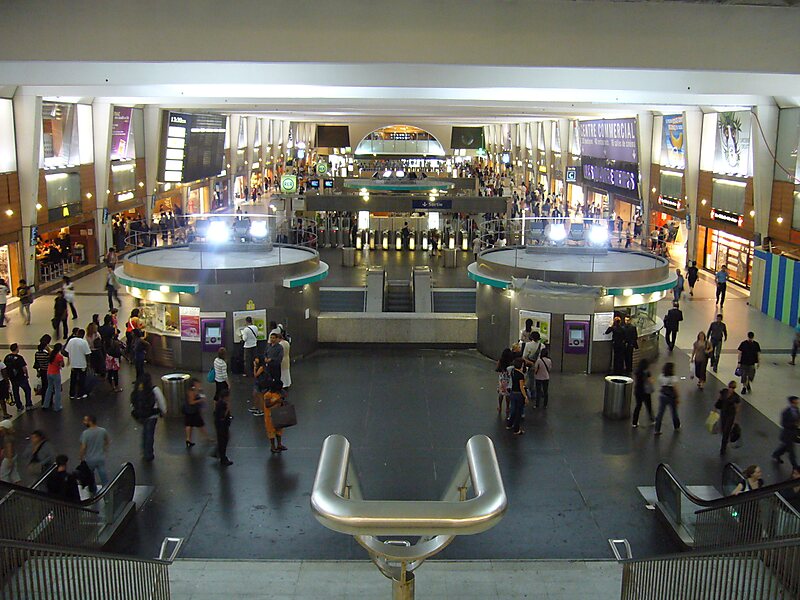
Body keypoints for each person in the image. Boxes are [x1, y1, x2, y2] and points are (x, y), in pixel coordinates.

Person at [131, 372, 166, 462]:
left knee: (145, 433)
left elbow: (133, 401)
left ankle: (144, 451)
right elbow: (161, 401)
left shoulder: (137, 389)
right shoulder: (154, 389)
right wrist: (163, 411)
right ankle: (148, 454)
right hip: (152, 415)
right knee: (150, 434)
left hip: (141, 415)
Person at [79, 414, 110, 488]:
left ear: (90, 422)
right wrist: (104, 449)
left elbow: (83, 447)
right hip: (100, 457)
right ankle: (106, 491)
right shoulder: (102, 430)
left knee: (90, 476)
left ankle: (93, 490)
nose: (84, 422)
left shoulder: (85, 433)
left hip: (90, 459)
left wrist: (81, 457)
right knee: (103, 475)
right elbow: (107, 440)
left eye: (85, 421)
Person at [772, 396, 800, 468]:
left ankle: (776, 454)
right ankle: (795, 466)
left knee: (784, 447)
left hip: (794, 433)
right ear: (792, 403)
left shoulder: (796, 410)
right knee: (791, 452)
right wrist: (794, 424)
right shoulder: (786, 412)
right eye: (796, 402)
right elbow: (783, 424)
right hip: (787, 435)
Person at [4, 343, 33, 411]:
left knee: (16, 391)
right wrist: (27, 375)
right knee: (27, 390)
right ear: (16, 349)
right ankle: (28, 404)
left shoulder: (7, 357)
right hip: (21, 377)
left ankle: (19, 406)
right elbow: (24, 368)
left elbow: (5, 368)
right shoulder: (19, 358)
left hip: (12, 378)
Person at [654, 362, 680, 436]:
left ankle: (657, 429)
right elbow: (675, 389)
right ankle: (676, 426)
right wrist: (677, 397)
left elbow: (660, 384)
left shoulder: (661, 376)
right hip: (671, 397)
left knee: (660, 413)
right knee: (674, 412)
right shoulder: (673, 378)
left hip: (662, 396)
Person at [64, 329, 91, 400]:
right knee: (82, 379)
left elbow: (66, 351)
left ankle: (72, 394)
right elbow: (87, 354)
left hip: (73, 363)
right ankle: (80, 394)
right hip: (82, 364)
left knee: (73, 379)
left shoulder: (71, 341)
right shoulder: (84, 342)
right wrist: (88, 363)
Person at [716, 381, 741, 455]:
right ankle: (726, 441)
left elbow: (737, 407)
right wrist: (716, 407)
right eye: (730, 387)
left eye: (733, 388)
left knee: (726, 431)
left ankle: (723, 447)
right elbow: (719, 399)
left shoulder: (736, 397)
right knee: (723, 429)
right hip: (723, 413)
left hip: (731, 415)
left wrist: (736, 419)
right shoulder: (724, 392)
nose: (731, 389)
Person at [184, 377, 210, 448]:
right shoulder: (191, 392)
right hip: (192, 411)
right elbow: (191, 402)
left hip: (189, 411)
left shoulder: (194, 390)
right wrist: (200, 400)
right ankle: (206, 437)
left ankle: (188, 440)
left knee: (189, 425)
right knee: (200, 424)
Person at [263, 379, 288, 453]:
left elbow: (285, 396)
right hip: (270, 416)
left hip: (278, 414)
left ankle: (279, 444)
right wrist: (276, 401)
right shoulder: (267, 395)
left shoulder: (279, 394)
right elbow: (267, 405)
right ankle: (273, 446)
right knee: (271, 431)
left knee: (279, 430)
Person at [506, 358, 528, 436]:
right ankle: (516, 429)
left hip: (513, 392)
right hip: (519, 394)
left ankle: (509, 424)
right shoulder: (521, 375)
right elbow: (521, 387)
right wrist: (525, 396)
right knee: (518, 412)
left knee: (513, 409)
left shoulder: (512, 372)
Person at [213, 386, 233, 466]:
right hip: (222, 426)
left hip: (220, 425)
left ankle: (219, 454)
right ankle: (222, 458)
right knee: (223, 441)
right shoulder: (222, 404)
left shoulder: (219, 403)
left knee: (222, 441)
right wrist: (227, 409)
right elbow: (222, 416)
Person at [632, 358, 655, 428]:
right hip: (645, 392)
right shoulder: (647, 372)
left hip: (638, 391)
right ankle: (652, 419)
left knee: (638, 406)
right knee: (649, 406)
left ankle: (634, 422)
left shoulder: (637, 371)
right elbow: (651, 381)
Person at [522, 331, 544, 401]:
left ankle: (531, 393)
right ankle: (539, 392)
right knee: (539, 379)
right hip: (541, 364)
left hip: (531, 364)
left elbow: (524, 356)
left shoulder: (528, 345)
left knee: (531, 379)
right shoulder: (542, 346)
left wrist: (530, 363)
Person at [42, 343, 64, 411]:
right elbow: (62, 365)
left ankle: (45, 404)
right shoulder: (59, 356)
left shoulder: (51, 354)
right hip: (56, 373)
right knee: (57, 390)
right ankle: (57, 406)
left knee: (49, 388)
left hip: (49, 373)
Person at [0, 419, 21, 483]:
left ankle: (8, 489)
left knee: (3, 475)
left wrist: (9, 460)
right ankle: (19, 488)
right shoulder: (11, 435)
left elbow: (9, 449)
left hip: (8, 458)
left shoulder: (7, 438)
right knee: (14, 473)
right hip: (14, 456)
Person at [495, 348, 513, 417]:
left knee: (501, 393)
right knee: (507, 394)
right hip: (508, 378)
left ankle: (499, 406)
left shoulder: (501, 360)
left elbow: (497, 368)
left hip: (502, 378)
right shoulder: (511, 361)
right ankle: (507, 407)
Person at [34, 335, 51, 400]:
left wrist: (38, 372)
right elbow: (51, 360)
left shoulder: (37, 353)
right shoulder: (46, 354)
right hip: (48, 370)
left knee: (44, 385)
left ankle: (43, 399)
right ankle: (49, 399)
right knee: (49, 385)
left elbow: (36, 364)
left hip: (42, 370)